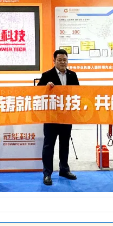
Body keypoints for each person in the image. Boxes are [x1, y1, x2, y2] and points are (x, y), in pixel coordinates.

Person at [37, 49, 79, 185]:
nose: (62, 62)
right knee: (49, 145)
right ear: (54, 61)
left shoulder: (73, 75)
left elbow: (78, 93)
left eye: (64, 60)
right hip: (51, 117)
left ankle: (64, 169)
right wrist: (46, 87)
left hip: (67, 116)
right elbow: (37, 93)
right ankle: (47, 173)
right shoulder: (46, 75)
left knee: (64, 144)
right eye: (59, 60)